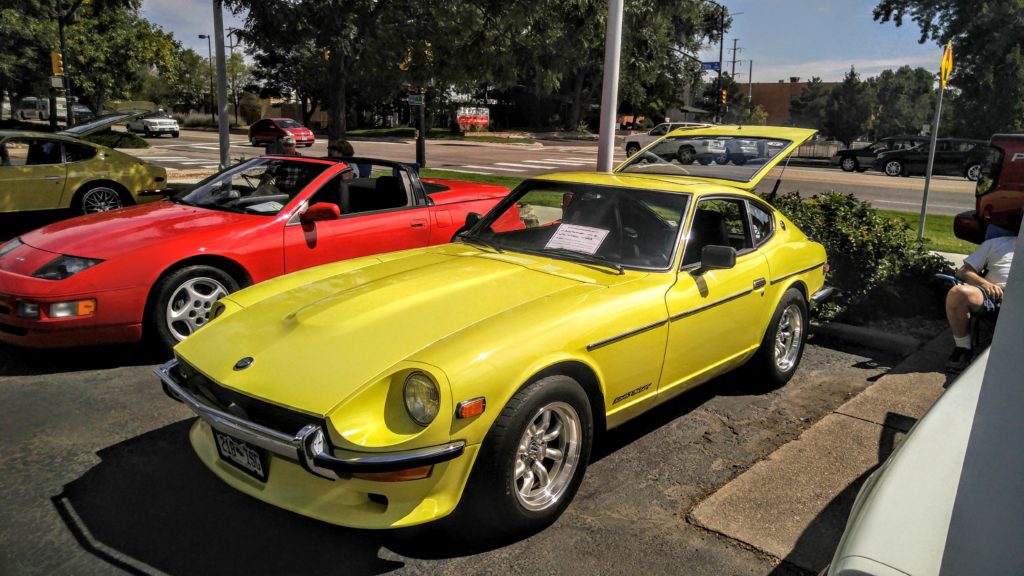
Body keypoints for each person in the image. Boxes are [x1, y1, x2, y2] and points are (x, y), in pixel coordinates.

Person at [944, 228, 1018, 372]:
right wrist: (985, 284)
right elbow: (963, 271)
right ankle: (963, 348)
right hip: (994, 298)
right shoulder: (996, 244)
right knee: (958, 293)